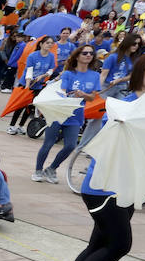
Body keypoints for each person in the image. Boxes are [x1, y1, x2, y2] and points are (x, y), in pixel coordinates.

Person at [49, 50, 145, 261]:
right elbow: (109, 142)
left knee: (98, 244)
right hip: (103, 187)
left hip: (130, 187)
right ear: (141, 71)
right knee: (119, 244)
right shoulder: (125, 105)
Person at [33, 44, 98, 184]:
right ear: (77, 56)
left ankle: (51, 168)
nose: (88, 55)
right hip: (59, 112)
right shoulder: (68, 73)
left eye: (91, 53)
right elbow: (62, 91)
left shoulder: (95, 76)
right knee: (48, 143)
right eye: (85, 53)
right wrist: (71, 94)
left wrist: (83, 94)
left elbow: (92, 98)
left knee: (70, 145)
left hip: (76, 115)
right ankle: (38, 170)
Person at [7, 36, 57, 135]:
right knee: (20, 105)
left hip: (38, 85)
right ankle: (12, 126)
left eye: (51, 43)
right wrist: (27, 86)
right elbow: (29, 72)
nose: (50, 45)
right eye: (47, 43)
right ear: (41, 44)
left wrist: (42, 76)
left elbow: (50, 70)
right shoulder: (33, 56)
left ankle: (21, 126)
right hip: (26, 83)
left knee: (30, 107)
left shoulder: (51, 56)